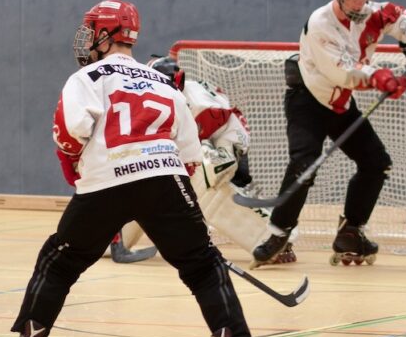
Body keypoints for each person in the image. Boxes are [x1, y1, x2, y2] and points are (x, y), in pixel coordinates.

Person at [3, 0, 275, 337]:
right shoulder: (164, 83)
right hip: (164, 175)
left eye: (91, 28)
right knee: (203, 265)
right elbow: (189, 152)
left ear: (104, 34)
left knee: (59, 262)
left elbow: (68, 131)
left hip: (105, 179)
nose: (85, 37)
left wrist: (78, 171)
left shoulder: (86, 78)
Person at [250, 0, 406, 267]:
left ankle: (350, 232)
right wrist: (378, 76)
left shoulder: (372, 13)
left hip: (341, 105)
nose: (358, 4)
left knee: (376, 163)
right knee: (305, 164)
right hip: (308, 101)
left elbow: (398, 16)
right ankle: (278, 234)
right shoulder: (320, 23)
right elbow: (340, 71)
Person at [113, 55, 295, 265]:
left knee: (208, 179)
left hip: (225, 138)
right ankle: (111, 237)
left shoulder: (200, 103)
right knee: (151, 178)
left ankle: (268, 238)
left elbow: (231, 121)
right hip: (194, 141)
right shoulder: (151, 98)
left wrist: (232, 156)